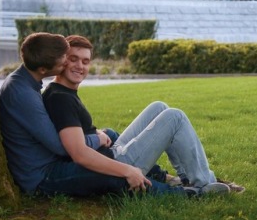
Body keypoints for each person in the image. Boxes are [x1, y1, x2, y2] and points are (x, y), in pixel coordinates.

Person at [42, 35, 245, 197]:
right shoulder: (60, 98)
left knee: (159, 106)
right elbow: (79, 155)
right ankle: (205, 184)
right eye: (73, 59)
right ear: (61, 60)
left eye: (85, 61)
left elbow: (75, 131)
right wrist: (127, 171)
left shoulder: (62, 93)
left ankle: (188, 178)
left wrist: (96, 133)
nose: (80, 66)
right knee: (175, 117)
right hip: (118, 161)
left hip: (113, 150)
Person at [0, 32, 174, 195]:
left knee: (110, 137)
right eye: (63, 62)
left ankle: (158, 175)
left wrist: (95, 135)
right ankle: (182, 194)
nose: (67, 63)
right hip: (43, 175)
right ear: (43, 69)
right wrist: (96, 140)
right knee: (114, 173)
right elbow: (62, 147)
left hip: (51, 160)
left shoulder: (25, 81)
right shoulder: (22, 93)